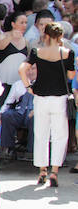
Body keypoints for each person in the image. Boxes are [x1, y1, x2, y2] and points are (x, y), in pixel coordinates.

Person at [19, 22, 74, 187]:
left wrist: (28, 86)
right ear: (60, 36)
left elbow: (22, 68)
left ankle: (42, 169)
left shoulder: (37, 51)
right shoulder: (67, 52)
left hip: (41, 97)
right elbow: (71, 76)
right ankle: (54, 171)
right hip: (59, 98)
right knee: (59, 135)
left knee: (41, 134)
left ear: (46, 35)